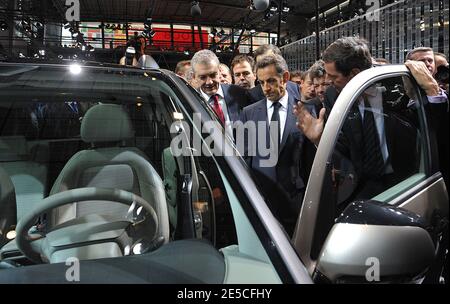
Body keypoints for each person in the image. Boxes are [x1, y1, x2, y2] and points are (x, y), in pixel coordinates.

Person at [295, 37, 422, 201]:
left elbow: (423, 127)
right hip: (357, 187)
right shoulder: (333, 96)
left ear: (354, 73)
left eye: (334, 77)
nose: (329, 82)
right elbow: (345, 147)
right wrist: (320, 140)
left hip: (404, 182)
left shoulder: (398, 85)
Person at [240, 54, 305, 234]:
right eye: (261, 83)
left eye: (271, 81)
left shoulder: (305, 110)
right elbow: (245, 158)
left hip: (295, 199)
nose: (266, 88)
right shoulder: (249, 113)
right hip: (262, 200)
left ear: (285, 78)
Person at [191, 50, 249, 137]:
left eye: (213, 75)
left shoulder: (239, 93)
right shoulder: (190, 102)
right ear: (194, 77)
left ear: (219, 72)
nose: (209, 82)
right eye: (203, 77)